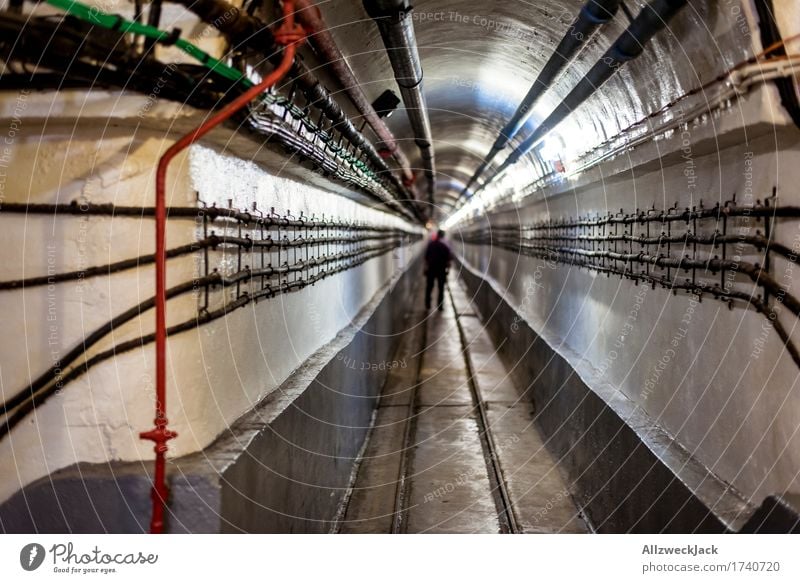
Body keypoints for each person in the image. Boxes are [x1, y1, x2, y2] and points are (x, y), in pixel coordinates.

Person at [424, 229, 452, 311]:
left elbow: (426, 258)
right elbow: (448, 260)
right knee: (441, 288)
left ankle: (427, 304)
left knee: (429, 287)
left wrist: (425, 268)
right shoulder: (445, 246)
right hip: (441, 270)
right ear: (443, 236)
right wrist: (448, 270)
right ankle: (440, 306)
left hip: (431, 269)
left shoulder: (431, 244)